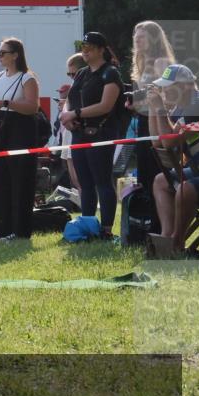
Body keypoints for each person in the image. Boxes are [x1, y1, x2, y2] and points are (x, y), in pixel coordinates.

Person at [60, 31, 125, 240]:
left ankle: (106, 229)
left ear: (101, 49)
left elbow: (106, 106)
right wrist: (67, 116)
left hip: (101, 133)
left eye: (89, 47)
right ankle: (87, 226)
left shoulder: (110, 73)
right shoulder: (81, 73)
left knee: (102, 181)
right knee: (84, 183)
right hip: (79, 133)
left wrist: (75, 113)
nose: (85, 51)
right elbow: (70, 98)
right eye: (83, 47)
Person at [0, 38, 42, 241]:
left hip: (22, 129)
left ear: (15, 54)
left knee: (20, 180)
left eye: (3, 53)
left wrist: (7, 103)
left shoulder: (27, 78)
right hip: (2, 126)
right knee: (1, 179)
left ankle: (20, 231)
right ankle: (2, 230)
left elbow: (32, 107)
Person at [147, 64, 199, 253]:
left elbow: (170, 143)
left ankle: (177, 244)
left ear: (186, 86)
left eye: (169, 86)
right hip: (198, 171)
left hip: (198, 174)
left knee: (185, 189)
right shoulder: (182, 107)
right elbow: (157, 142)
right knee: (161, 181)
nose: (164, 91)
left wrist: (160, 109)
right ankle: (166, 237)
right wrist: (153, 110)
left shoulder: (198, 104)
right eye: (162, 87)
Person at [131, 21, 177, 223]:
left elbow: (171, 96)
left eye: (142, 36)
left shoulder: (161, 62)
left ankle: (159, 225)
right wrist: (135, 103)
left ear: (154, 39)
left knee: (157, 171)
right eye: (136, 36)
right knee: (145, 176)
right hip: (142, 121)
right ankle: (148, 225)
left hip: (158, 122)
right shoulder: (141, 62)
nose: (137, 40)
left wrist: (152, 103)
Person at [59, 54, 87, 192]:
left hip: (78, 134)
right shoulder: (74, 87)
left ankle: (87, 210)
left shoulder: (86, 86)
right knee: (75, 180)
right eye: (68, 73)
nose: (71, 77)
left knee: (82, 180)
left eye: (73, 73)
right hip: (68, 136)